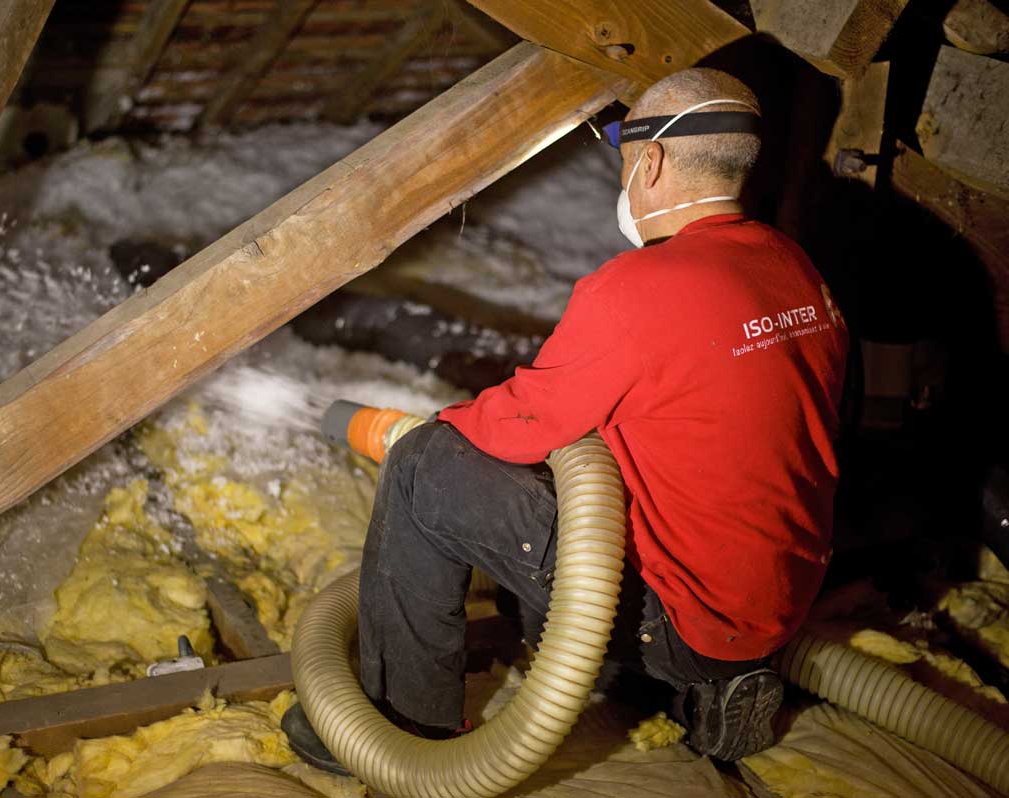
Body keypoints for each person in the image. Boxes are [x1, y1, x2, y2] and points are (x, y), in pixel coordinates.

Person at [284, 67, 848, 769]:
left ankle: (403, 730)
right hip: (773, 610)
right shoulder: (793, 266)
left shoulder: (641, 290)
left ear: (653, 161)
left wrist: (432, 426)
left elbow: (521, 425)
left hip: (677, 618)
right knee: (587, 492)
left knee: (426, 466)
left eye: (621, 155)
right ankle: (699, 690)